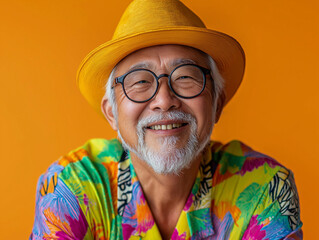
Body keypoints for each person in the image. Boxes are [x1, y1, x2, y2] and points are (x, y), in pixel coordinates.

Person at [30, 0, 303, 239]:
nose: (164, 100)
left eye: (185, 77)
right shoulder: (70, 188)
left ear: (217, 103)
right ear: (111, 113)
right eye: (139, 82)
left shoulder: (263, 187)